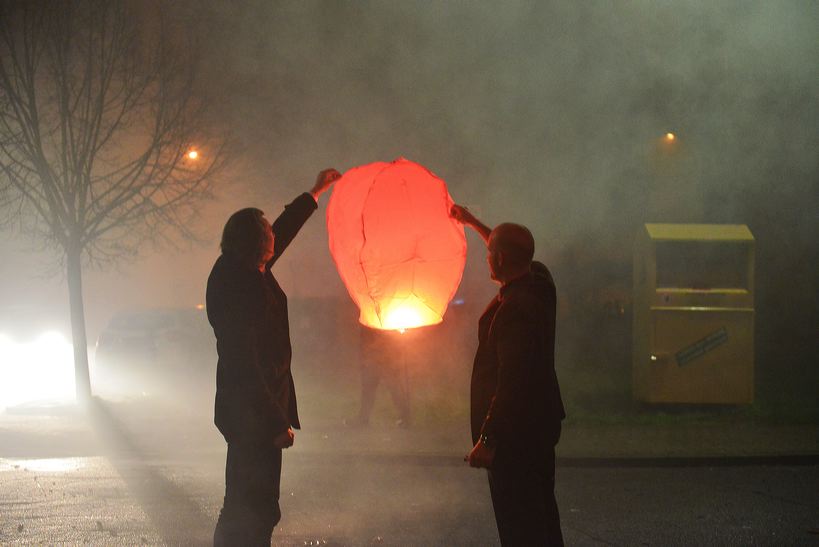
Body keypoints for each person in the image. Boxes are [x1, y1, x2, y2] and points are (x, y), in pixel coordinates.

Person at [207, 168, 341, 546]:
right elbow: (244, 364)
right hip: (252, 415)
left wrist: (315, 192)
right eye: (265, 231)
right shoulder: (239, 283)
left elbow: (281, 232)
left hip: (253, 413)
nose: (272, 236)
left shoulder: (247, 268)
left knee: (254, 505)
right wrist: (274, 421)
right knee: (248, 507)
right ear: (253, 242)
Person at [451, 204, 566, 546]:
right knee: (543, 514)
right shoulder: (541, 286)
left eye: (490, 254)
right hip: (541, 428)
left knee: (521, 525)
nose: (487, 259)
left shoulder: (514, 310)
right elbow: (515, 252)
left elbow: (511, 381)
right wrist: (472, 223)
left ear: (499, 260)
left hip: (515, 437)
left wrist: (488, 440)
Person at [346, 324, 412, 428]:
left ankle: (405, 417)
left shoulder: (384, 316)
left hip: (385, 356)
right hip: (375, 356)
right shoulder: (369, 317)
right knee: (370, 388)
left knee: (392, 387)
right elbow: (365, 339)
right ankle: (364, 418)